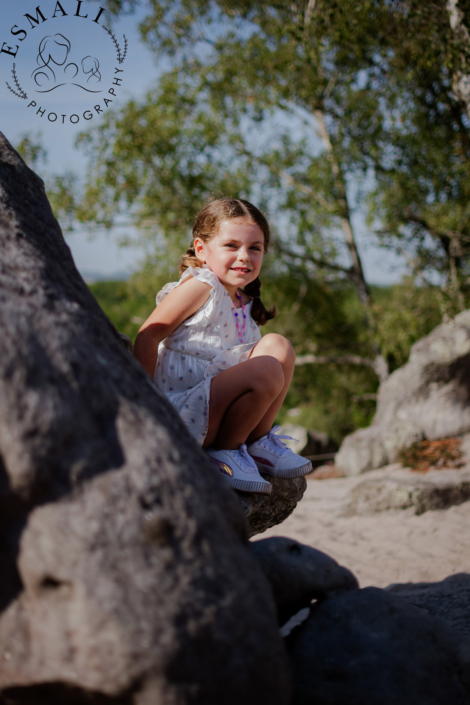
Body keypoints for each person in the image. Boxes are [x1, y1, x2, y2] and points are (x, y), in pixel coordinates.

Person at [134, 198, 312, 494]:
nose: (245, 256)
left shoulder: (245, 305)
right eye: (232, 246)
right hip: (182, 414)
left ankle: (257, 443)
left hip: (214, 414)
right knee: (266, 368)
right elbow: (148, 335)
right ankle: (225, 454)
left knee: (279, 346)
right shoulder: (201, 285)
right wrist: (143, 406)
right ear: (201, 250)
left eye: (254, 248)